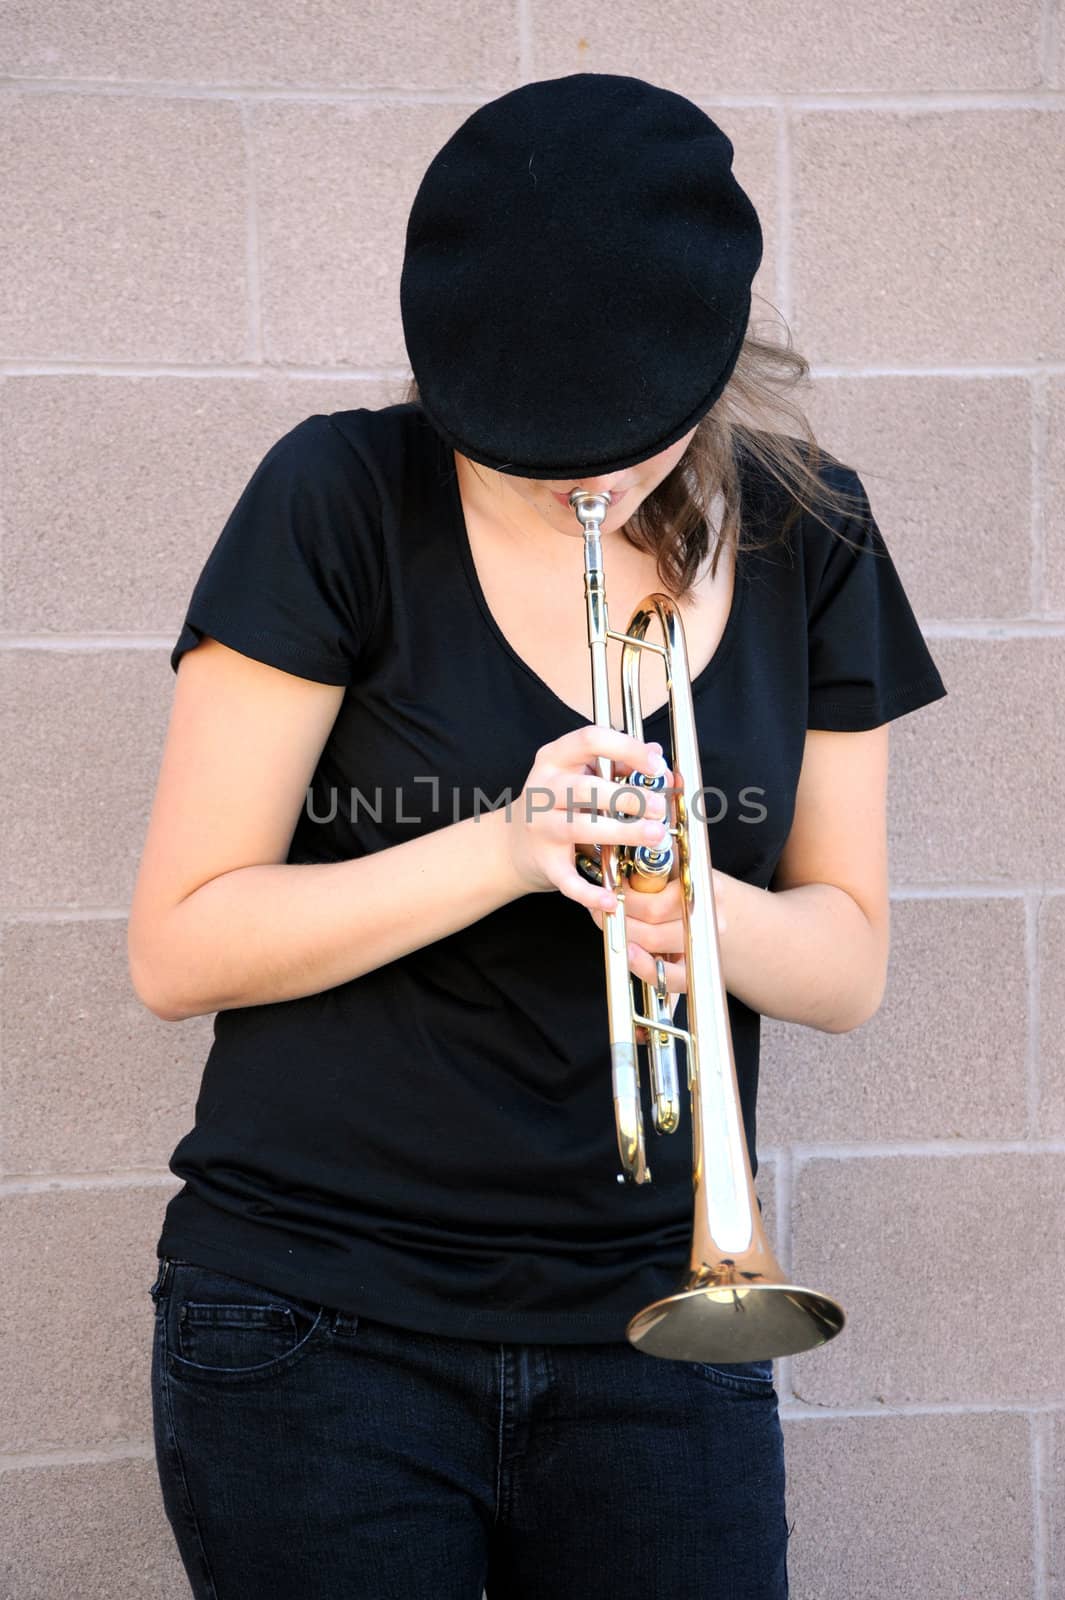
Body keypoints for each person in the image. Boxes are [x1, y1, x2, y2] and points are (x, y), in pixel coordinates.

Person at [130, 72, 947, 1600]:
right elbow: (177, 945)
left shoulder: (814, 531)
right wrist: (506, 846)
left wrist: (699, 910)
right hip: (318, 1326)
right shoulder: (338, 497)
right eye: (532, 444)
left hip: (664, 1321)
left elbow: (845, 966)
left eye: (624, 437)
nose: (585, 478)